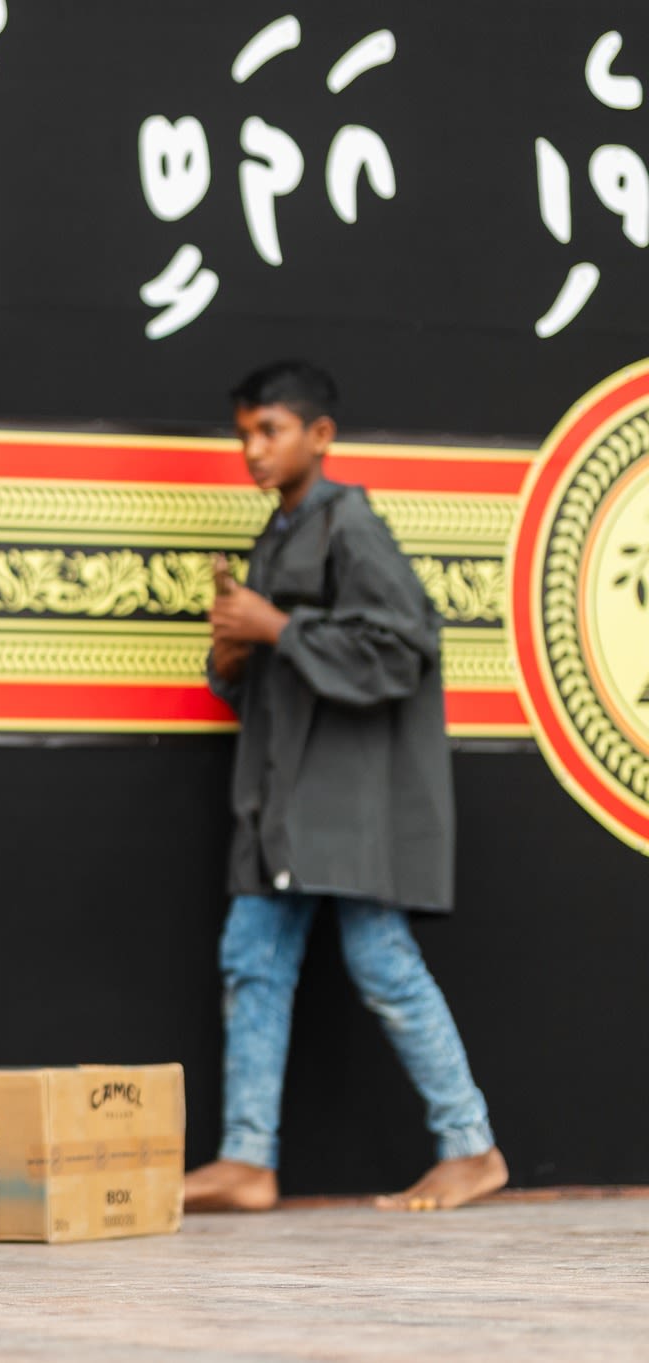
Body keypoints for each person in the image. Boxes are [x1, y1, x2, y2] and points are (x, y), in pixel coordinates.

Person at [186, 360, 509, 1214]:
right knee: (252, 958)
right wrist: (234, 658)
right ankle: (247, 1158)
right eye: (245, 434)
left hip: (346, 806)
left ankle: (471, 1145)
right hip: (284, 806)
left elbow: (403, 650)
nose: (254, 450)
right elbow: (281, 682)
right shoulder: (279, 531)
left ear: (320, 434)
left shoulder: (351, 523)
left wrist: (276, 624)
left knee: (382, 962)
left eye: (272, 430)